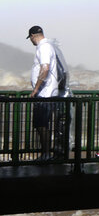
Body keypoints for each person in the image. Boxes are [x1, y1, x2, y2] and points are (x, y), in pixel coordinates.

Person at [27, 26, 70, 161]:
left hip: (45, 94)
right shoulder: (48, 46)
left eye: (31, 38)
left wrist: (35, 89)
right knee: (43, 124)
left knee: (41, 125)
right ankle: (48, 153)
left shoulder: (44, 47)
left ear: (33, 35)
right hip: (49, 92)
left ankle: (45, 154)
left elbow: (45, 68)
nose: (31, 41)